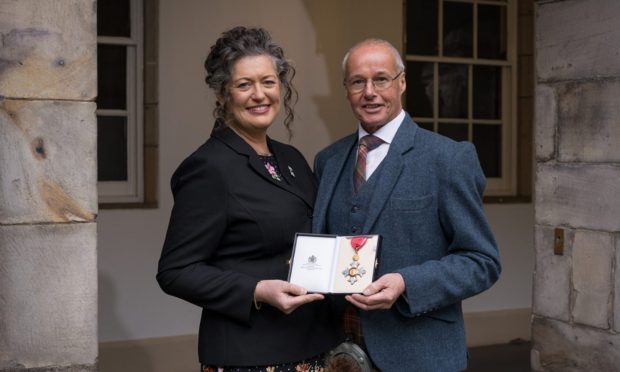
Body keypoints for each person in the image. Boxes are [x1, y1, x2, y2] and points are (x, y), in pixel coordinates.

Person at [157, 26, 341, 372]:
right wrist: (257, 290)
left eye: (268, 82)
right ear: (222, 94)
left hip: (315, 345)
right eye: (244, 85)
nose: (260, 94)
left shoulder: (292, 159)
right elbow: (175, 271)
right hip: (251, 356)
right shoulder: (208, 168)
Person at [312, 38, 501, 371]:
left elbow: (481, 261)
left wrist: (406, 283)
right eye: (358, 81)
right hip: (337, 352)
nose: (369, 91)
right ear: (346, 89)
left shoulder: (448, 158)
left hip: (419, 353)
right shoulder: (328, 161)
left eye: (381, 78)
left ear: (401, 82)